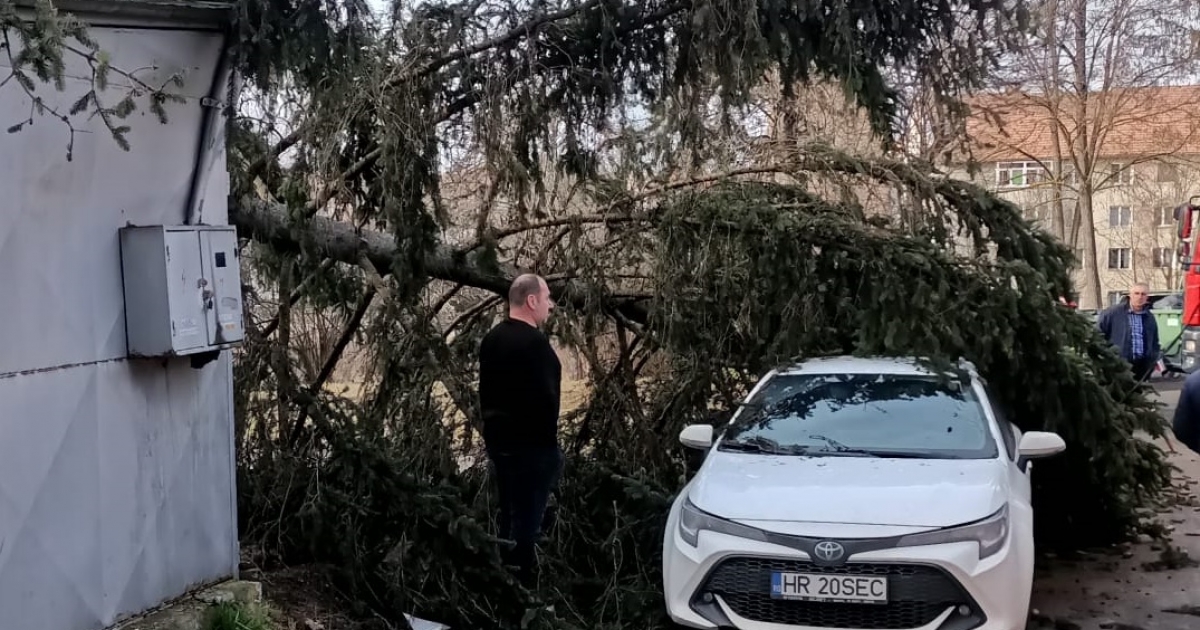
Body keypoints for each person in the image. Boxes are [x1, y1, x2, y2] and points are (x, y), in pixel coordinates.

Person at [478, 273, 563, 585]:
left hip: (500, 447)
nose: (550, 305)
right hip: (532, 452)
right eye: (547, 297)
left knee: (508, 517)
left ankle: (504, 580)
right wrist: (550, 453)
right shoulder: (536, 346)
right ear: (531, 300)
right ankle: (521, 588)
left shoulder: (492, 340)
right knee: (526, 525)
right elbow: (547, 401)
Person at [1097, 282, 1161, 382]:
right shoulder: (1112, 313)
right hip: (1119, 366)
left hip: (1141, 367)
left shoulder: (1149, 317)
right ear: (1130, 295)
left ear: (1147, 297)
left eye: (1143, 294)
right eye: (1136, 293)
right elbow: (1098, 335)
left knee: (1138, 391)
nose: (1140, 297)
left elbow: (1154, 342)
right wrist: (1107, 358)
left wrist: (1152, 360)